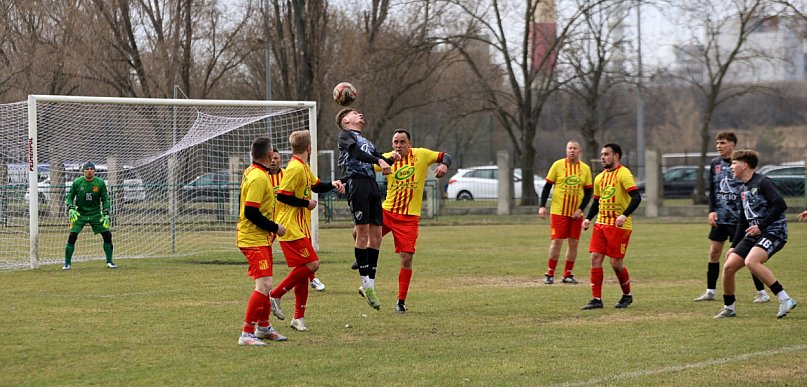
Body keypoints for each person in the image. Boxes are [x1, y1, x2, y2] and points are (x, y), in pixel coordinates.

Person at [269, 130, 344, 332]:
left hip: (300, 227)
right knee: (313, 264)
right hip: (290, 227)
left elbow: (317, 185)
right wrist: (306, 202)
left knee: (302, 273)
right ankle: (275, 294)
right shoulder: (294, 168)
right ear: (309, 148)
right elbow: (282, 197)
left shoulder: (303, 166)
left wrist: (334, 184)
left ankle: (298, 318)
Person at [374, 128, 452, 314]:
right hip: (387, 211)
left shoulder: (422, 155)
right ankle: (363, 263)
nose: (398, 145)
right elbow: (366, 165)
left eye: (402, 142)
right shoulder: (387, 157)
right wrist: (379, 164)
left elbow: (446, 155)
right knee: (358, 232)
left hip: (409, 217)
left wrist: (444, 165)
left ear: (409, 143)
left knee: (406, 258)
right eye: (395, 142)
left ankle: (400, 301)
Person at [714, 149, 797, 319]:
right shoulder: (743, 188)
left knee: (751, 261)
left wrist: (761, 225)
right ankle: (729, 307)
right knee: (729, 266)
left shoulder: (763, 182)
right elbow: (743, 221)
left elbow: (780, 205)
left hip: (774, 232)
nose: (731, 167)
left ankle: (785, 299)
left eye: (734, 163)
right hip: (754, 233)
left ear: (744, 165)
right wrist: (734, 246)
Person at [336, 107, 400, 310]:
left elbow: (376, 158)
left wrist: (390, 159)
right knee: (362, 233)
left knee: (377, 235)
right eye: (355, 113)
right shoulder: (345, 135)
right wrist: (379, 160)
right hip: (358, 184)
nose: (360, 114)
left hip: (371, 185)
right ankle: (365, 282)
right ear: (346, 121)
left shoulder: (368, 142)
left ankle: (369, 285)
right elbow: (356, 154)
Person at [694, 132, 769, 303]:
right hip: (721, 217)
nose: (719, 146)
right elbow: (713, 189)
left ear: (732, 144)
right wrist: (712, 210)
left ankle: (762, 293)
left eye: (723, 143)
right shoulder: (715, 163)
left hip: (740, 219)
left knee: (748, 254)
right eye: (717, 143)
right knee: (714, 252)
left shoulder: (743, 163)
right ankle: (710, 291)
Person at [236, 138, 288, 346]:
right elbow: (250, 212)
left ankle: (264, 328)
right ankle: (247, 333)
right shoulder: (258, 177)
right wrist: (275, 227)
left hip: (260, 238)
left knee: (266, 284)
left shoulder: (252, 171)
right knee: (264, 284)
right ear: (269, 156)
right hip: (253, 238)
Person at [580, 144, 642, 310]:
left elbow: (636, 197)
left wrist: (624, 215)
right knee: (595, 258)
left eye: (606, 154)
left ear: (616, 156)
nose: (602, 157)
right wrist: (588, 218)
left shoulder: (624, 174)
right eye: (601, 154)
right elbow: (597, 201)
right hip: (601, 224)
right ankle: (596, 299)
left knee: (616, 263)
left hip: (619, 226)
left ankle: (627, 295)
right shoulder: (599, 177)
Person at [267, 149, 326, 292]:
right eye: (271, 158)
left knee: (307, 256)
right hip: (271, 219)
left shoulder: (287, 173)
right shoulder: (263, 177)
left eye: (276, 158)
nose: (273, 161)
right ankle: (267, 281)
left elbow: (313, 186)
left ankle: (312, 279)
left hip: (294, 220)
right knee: (266, 248)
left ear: (281, 160)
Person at [538, 141, 593, 285]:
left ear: (579, 151)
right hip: (559, 212)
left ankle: (567, 274)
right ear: (566, 150)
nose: (572, 151)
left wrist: (580, 209)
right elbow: (547, 187)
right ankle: (550, 273)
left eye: (575, 148)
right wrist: (542, 206)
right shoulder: (557, 165)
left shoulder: (585, 169)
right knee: (556, 241)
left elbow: (588, 193)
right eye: (570, 148)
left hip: (576, 214)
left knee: (573, 243)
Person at [63, 162, 116, 270]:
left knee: (107, 235)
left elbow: (105, 199)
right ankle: (67, 263)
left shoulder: (100, 183)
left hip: (96, 214)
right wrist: (71, 208)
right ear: (83, 171)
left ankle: (109, 262)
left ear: (94, 171)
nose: (89, 171)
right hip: (80, 214)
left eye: (92, 169)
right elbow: (69, 197)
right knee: (72, 236)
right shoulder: (77, 182)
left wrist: (105, 212)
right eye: (87, 169)